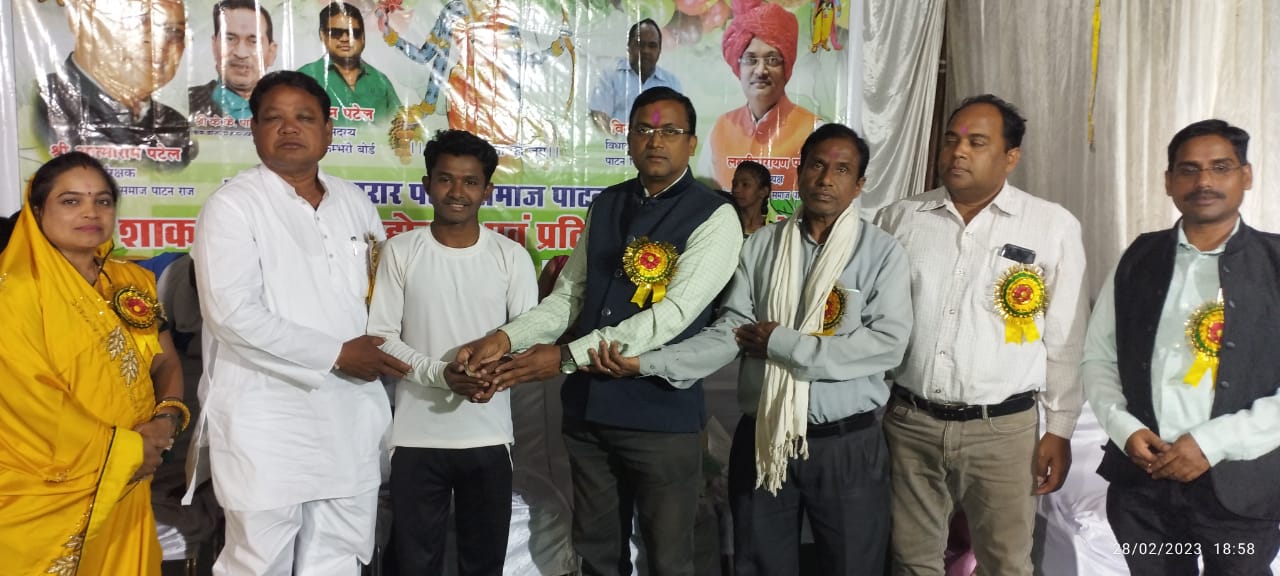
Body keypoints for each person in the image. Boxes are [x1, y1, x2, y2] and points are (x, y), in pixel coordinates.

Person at [592, 124, 912, 575]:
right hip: (763, 436)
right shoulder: (761, 247)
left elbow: (886, 346)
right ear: (799, 173)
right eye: (817, 165)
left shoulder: (881, 253)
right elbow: (732, 332)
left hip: (846, 444)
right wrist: (645, 362)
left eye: (842, 170)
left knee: (852, 565)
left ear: (859, 184)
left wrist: (782, 343)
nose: (826, 179)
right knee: (760, 564)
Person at [456, 86, 743, 576]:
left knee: (670, 558)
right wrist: (504, 338)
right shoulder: (608, 203)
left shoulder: (715, 216)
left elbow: (670, 316)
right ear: (628, 140)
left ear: (691, 143)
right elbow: (569, 296)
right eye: (644, 129)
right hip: (590, 415)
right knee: (597, 552)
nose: (656, 140)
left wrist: (564, 357)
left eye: (670, 131)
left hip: (659, 415)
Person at [191, 70, 410, 575]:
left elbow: (382, 295)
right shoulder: (232, 206)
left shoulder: (354, 202)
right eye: (274, 118)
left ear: (328, 130)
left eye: (304, 117)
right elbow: (232, 315)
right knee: (258, 561)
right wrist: (336, 354)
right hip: (266, 420)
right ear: (254, 129)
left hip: (351, 417)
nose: (289, 128)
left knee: (340, 557)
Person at [874, 94, 1088, 576]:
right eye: (951, 140)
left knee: (1005, 562)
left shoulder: (1051, 226)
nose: (958, 152)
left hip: (1003, 432)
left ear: (1010, 156)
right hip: (911, 424)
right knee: (911, 560)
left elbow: (1066, 339)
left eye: (976, 142)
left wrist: (1059, 429)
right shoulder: (899, 219)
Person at [1082, 119, 1280, 575]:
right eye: (1188, 170)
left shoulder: (1275, 263)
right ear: (1169, 181)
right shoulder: (1139, 257)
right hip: (1143, 488)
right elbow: (1098, 356)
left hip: (1241, 492)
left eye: (1220, 167)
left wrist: (1210, 444)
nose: (1203, 181)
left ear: (1246, 175)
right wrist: (1124, 429)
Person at [0, 152, 186, 575]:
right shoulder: (15, 293)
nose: (90, 212)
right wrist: (127, 451)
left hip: (129, 481)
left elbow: (165, 363)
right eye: (71, 201)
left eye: (103, 201)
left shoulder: (131, 281)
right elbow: (29, 401)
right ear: (36, 211)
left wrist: (166, 421)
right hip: (44, 488)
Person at [366, 129, 538, 575]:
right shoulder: (400, 252)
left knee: (483, 564)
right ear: (428, 184)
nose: (457, 192)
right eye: (445, 179)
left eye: (470, 181)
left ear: (487, 190)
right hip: (415, 440)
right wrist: (442, 374)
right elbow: (381, 337)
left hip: (489, 438)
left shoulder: (512, 257)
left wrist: (490, 375)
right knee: (413, 564)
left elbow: (526, 339)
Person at [38, 0, 196, 166]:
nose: (159, 43)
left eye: (174, 31)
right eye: (136, 22)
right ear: (78, 19)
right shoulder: (43, 108)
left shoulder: (176, 127)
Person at [699, 0, 821, 197]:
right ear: (739, 67)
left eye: (772, 60)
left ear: (786, 67)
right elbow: (705, 200)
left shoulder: (814, 131)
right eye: (751, 60)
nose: (761, 70)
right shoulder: (720, 129)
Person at [299, 2, 402, 126]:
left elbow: (400, 128)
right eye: (336, 33)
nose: (345, 38)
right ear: (322, 35)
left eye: (354, 33)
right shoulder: (304, 78)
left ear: (363, 37)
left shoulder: (380, 81)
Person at [189, 0, 279, 123]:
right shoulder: (187, 102)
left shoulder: (289, 106)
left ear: (271, 52)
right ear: (214, 46)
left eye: (254, 42)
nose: (241, 53)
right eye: (230, 39)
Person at [589, 18, 683, 133]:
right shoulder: (610, 76)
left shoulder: (672, 83)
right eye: (640, 44)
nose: (646, 50)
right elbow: (599, 116)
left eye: (652, 45)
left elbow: (676, 123)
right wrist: (616, 140)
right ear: (629, 46)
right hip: (618, 142)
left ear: (659, 50)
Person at [729, 159, 773, 236]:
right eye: (734, 184)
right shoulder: (725, 226)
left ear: (763, 191)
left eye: (745, 185)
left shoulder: (772, 231)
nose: (736, 190)